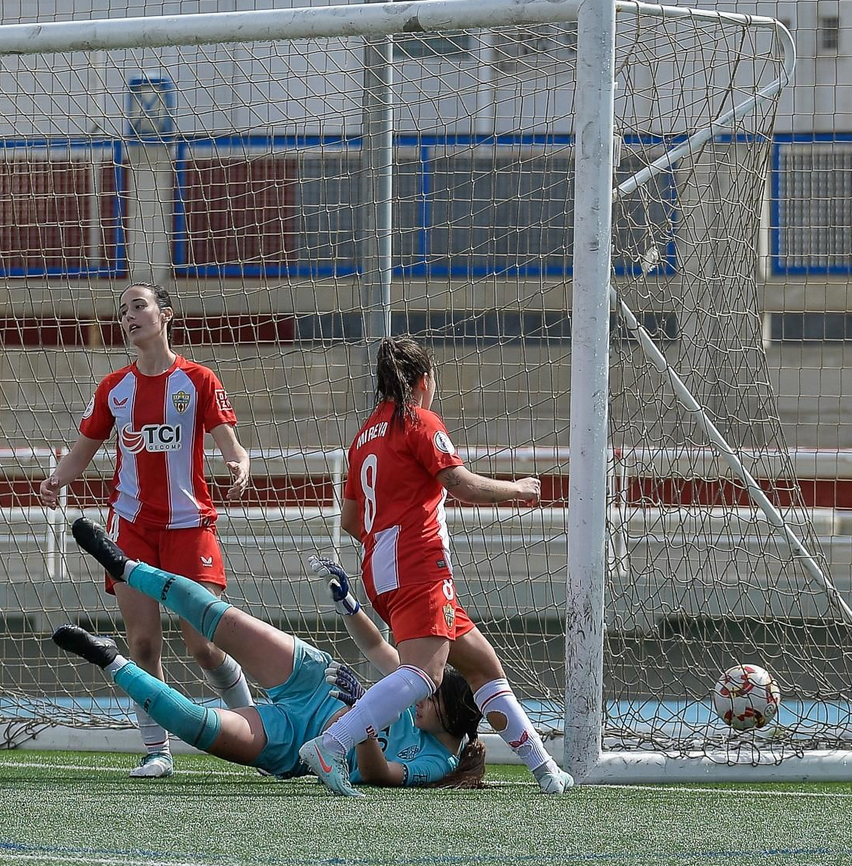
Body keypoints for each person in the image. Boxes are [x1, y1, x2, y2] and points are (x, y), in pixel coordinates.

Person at [297, 336, 572, 796]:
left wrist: (387, 545)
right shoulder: (419, 421)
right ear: (424, 381)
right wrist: (518, 489)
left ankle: (545, 770)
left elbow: (350, 518)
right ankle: (331, 744)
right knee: (426, 675)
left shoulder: (364, 436)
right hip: (418, 563)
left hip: (381, 566)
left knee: (484, 668)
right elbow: (458, 483)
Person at [56, 517, 486, 791]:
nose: (421, 699)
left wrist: (364, 719)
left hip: (295, 739)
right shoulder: (416, 685)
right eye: (426, 693)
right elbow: (376, 646)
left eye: (431, 699)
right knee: (221, 619)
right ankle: (126, 567)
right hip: (314, 679)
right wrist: (348, 604)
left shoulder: (437, 761)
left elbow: (377, 776)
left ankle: (109, 660)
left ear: (454, 713)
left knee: (196, 724)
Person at [38, 282, 254, 779]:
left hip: (189, 527)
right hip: (131, 526)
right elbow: (85, 447)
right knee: (142, 645)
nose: (129, 316)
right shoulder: (114, 387)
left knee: (206, 647)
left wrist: (238, 463)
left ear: (166, 315)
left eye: (139, 306)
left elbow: (230, 443)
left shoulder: (198, 380)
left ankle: (253, 733)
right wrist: (57, 479)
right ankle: (157, 749)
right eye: (123, 311)